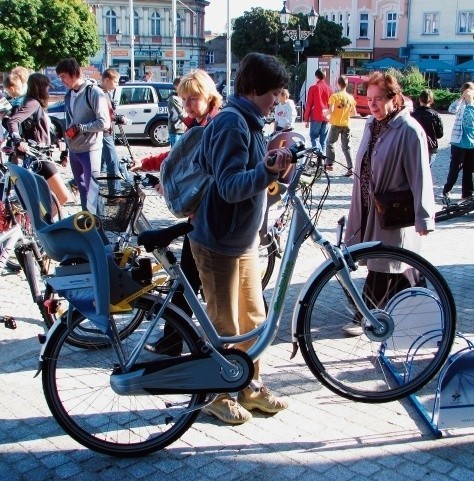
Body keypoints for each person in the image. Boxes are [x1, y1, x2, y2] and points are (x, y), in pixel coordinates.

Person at [188, 53, 293, 424]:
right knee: (225, 325)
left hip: (243, 241)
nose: (276, 101)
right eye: (274, 93)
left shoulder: (250, 122)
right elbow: (232, 186)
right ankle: (216, 394)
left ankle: (248, 386)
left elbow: (252, 178)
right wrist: (266, 171)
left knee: (253, 319)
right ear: (255, 89)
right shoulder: (232, 124)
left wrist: (274, 171)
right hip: (218, 241)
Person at [132, 69, 223, 355]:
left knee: (192, 282)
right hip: (200, 217)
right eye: (184, 100)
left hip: (209, 219)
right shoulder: (200, 124)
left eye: (193, 98)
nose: (187, 105)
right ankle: (174, 339)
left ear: (209, 95)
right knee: (185, 280)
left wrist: (172, 183)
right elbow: (177, 156)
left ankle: (184, 341)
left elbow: (198, 170)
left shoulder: (216, 125)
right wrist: (147, 162)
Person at [343, 71, 436, 336]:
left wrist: (424, 217)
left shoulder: (409, 130)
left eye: (378, 99)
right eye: (368, 98)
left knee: (385, 262)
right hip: (368, 206)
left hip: (394, 210)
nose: (371, 104)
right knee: (400, 267)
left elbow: (421, 175)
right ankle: (422, 308)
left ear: (394, 98)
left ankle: (365, 314)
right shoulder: (372, 124)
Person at [7, 73, 69, 208]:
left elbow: (41, 128)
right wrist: (17, 139)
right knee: (62, 196)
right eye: (47, 87)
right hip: (39, 157)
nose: (48, 90)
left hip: (40, 155)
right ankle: (45, 227)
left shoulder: (33, 103)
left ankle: (44, 224)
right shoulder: (33, 103)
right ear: (40, 87)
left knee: (46, 199)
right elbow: (13, 121)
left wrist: (55, 140)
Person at [56, 58, 110, 210]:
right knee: (83, 192)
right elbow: (70, 121)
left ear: (74, 74)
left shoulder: (93, 92)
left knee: (93, 194)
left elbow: (104, 123)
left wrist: (81, 128)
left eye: (63, 77)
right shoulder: (69, 95)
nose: (62, 81)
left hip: (90, 149)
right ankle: (87, 227)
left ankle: (98, 230)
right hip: (74, 150)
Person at [442, 82, 474, 200]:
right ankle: (447, 189)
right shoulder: (460, 104)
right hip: (459, 142)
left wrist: (471, 101)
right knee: (454, 169)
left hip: (472, 144)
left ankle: (467, 193)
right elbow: (451, 109)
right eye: (467, 91)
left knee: (469, 170)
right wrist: (461, 98)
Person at [325, 75, 357, 176]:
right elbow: (354, 113)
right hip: (346, 124)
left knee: (330, 143)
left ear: (338, 84)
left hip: (336, 124)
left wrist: (325, 113)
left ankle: (330, 164)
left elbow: (331, 110)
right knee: (346, 147)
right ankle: (350, 167)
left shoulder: (334, 96)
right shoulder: (350, 98)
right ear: (347, 85)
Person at [100, 68, 127, 177]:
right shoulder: (100, 94)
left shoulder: (106, 93)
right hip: (104, 132)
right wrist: (116, 118)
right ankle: (114, 191)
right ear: (107, 80)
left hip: (107, 131)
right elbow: (103, 115)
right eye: (115, 82)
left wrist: (116, 117)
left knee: (100, 165)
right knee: (113, 163)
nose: (116, 85)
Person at [411, 89, 444, 167]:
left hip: (416, 146)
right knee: (427, 172)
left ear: (419, 99)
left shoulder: (412, 115)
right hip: (431, 147)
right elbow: (439, 134)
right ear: (431, 100)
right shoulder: (436, 115)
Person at [303, 68, 332, 157]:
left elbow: (309, 104)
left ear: (316, 76)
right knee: (323, 140)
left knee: (314, 137)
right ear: (324, 76)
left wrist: (306, 118)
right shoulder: (329, 89)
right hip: (326, 116)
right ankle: (322, 161)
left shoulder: (313, 88)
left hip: (316, 115)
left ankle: (318, 154)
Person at [167, 76, 186, 147]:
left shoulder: (183, 97)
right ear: (176, 86)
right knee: (175, 153)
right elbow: (181, 114)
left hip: (183, 128)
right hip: (176, 128)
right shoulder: (174, 98)